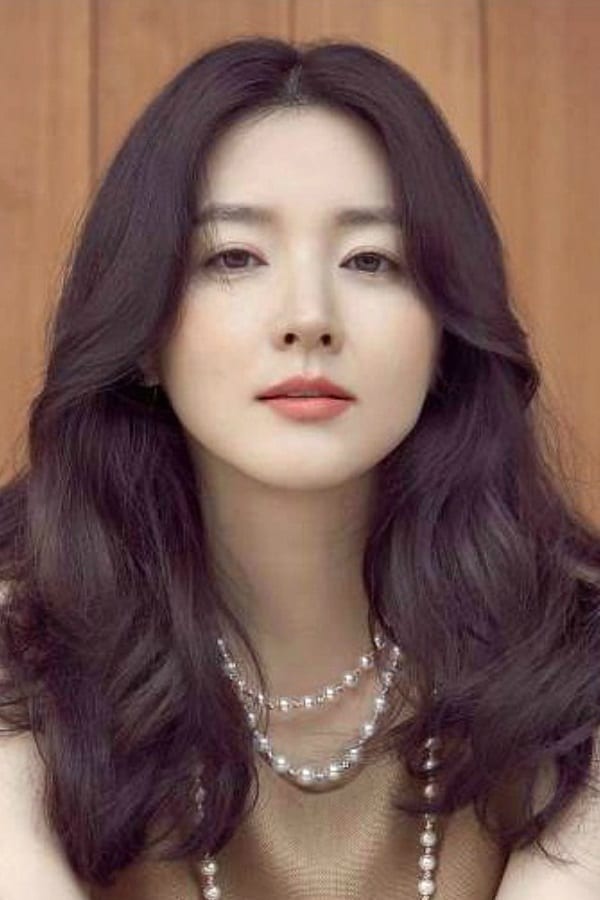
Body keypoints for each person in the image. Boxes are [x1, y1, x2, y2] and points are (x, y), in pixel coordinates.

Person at [0, 35, 599, 900]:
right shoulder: (27, 640)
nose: (309, 317)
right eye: (234, 257)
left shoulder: (572, 660)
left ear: (445, 338)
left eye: (372, 261)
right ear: (143, 333)